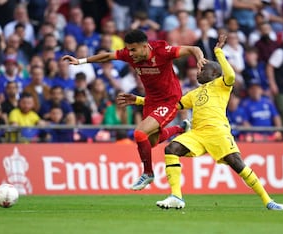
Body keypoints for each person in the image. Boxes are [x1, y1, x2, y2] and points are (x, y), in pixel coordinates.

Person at [118, 34, 283, 210]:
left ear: (214, 73)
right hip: (197, 134)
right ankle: (176, 196)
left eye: (202, 69)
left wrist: (218, 52)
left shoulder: (222, 85)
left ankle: (268, 200)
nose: (198, 72)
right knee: (171, 149)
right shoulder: (194, 93)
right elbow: (171, 105)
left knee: (237, 164)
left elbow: (230, 75)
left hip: (217, 132)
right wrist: (138, 100)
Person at [62, 29, 206, 190]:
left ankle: (148, 173)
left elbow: (194, 49)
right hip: (151, 101)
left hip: (169, 100)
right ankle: (181, 128)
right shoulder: (129, 54)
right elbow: (108, 56)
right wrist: (80, 61)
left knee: (139, 133)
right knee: (150, 142)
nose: (130, 53)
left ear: (145, 46)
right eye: (128, 49)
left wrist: (200, 60)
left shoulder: (163, 51)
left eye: (133, 49)